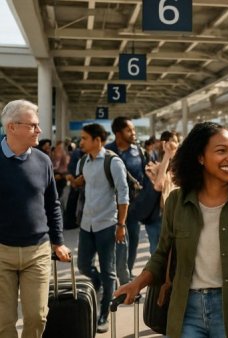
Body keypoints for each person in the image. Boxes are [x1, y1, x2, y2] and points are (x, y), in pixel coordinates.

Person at [114, 122, 228, 338]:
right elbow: (162, 255)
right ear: (200, 157)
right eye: (222, 151)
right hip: (186, 311)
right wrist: (137, 284)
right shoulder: (176, 202)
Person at [0, 99, 71, 338]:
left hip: (37, 251)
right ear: (11, 127)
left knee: (37, 316)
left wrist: (58, 241)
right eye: (33, 126)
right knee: (3, 322)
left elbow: (53, 204)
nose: (39, 131)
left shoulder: (43, 161)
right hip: (1, 253)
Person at [73, 123, 129, 333]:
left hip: (108, 224)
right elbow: (86, 182)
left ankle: (104, 314)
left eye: (84, 138)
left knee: (109, 271)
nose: (81, 142)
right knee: (83, 266)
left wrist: (121, 225)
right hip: (87, 224)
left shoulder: (113, 162)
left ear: (97, 140)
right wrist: (76, 182)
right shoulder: (85, 161)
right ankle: (98, 285)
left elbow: (124, 195)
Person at [106, 116, 161, 285]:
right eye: (129, 130)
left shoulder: (140, 151)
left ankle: (127, 277)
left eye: (134, 130)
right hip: (111, 206)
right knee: (112, 245)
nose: (133, 133)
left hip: (134, 207)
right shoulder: (107, 151)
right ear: (118, 133)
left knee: (132, 241)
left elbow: (148, 175)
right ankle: (113, 277)